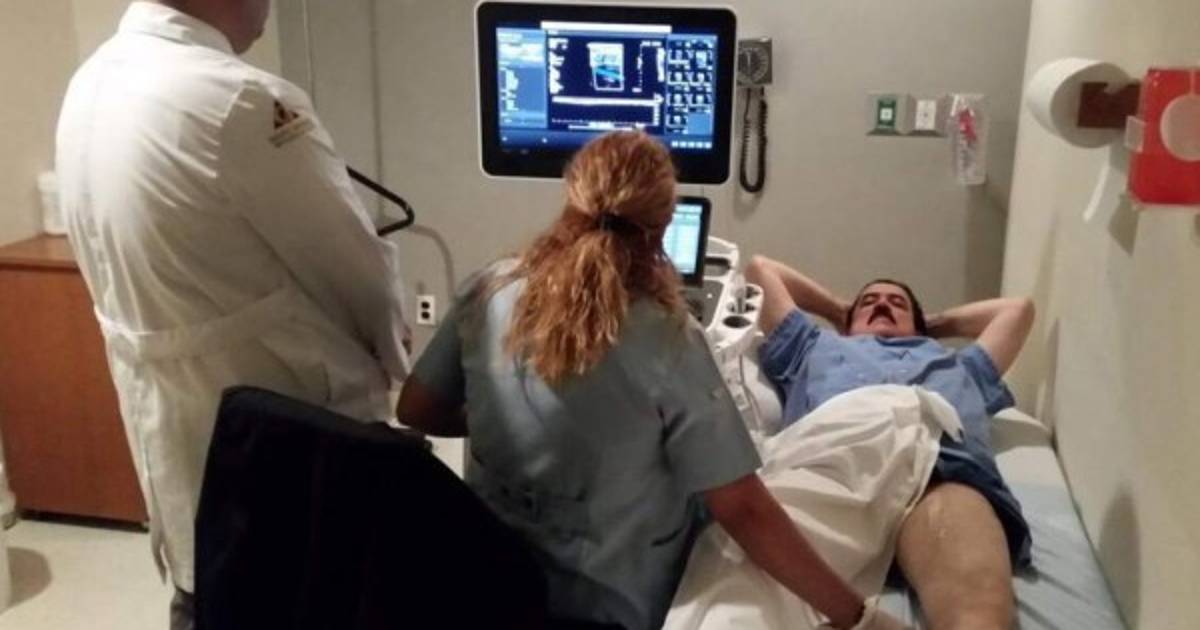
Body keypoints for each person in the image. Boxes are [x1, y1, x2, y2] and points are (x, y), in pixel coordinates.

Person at [397, 131, 905, 630]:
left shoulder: (490, 288)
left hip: (490, 587)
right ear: (661, 230)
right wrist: (858, 616)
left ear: (570, 198)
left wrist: (518, 425)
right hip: (606, 607)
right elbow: (744, 509)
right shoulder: (667, 338)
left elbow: (415, 409)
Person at [55, 2, 411, 627]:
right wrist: (397, 359)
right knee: (300, 586)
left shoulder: (91, 84)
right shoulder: (239, 101)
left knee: (210, 582)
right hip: (284, 431)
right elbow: (354, 269)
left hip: (172, 428)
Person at [746, 256, 1036, 630]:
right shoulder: (811, 346)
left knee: (978, 616)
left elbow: (1018, 310)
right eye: (869, 302)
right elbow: (760, 269)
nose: (882, 304)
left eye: (897, 303)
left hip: (939, 474)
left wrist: (930, 326)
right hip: (831, 467)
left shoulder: (960, 366)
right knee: (751, 599)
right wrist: (839, 310)